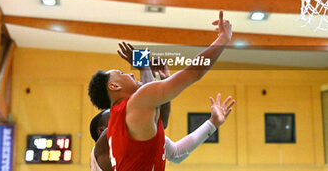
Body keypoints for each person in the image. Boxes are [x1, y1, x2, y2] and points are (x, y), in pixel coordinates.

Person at [88, 11, 232, 171]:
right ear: (114, 86)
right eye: (121, 73)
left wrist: (212, 123)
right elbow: (193, 72)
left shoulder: (122, 120)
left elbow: (176, 150)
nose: (129, 73)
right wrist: (223, 39)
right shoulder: (130, 112)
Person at [90, 93, 235, 171]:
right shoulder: (100, 149)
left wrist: (212, 123)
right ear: (102, 130)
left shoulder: (142, 140)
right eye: (115, 116)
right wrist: (154, 82)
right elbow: (157, 121)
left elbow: (178, 153)